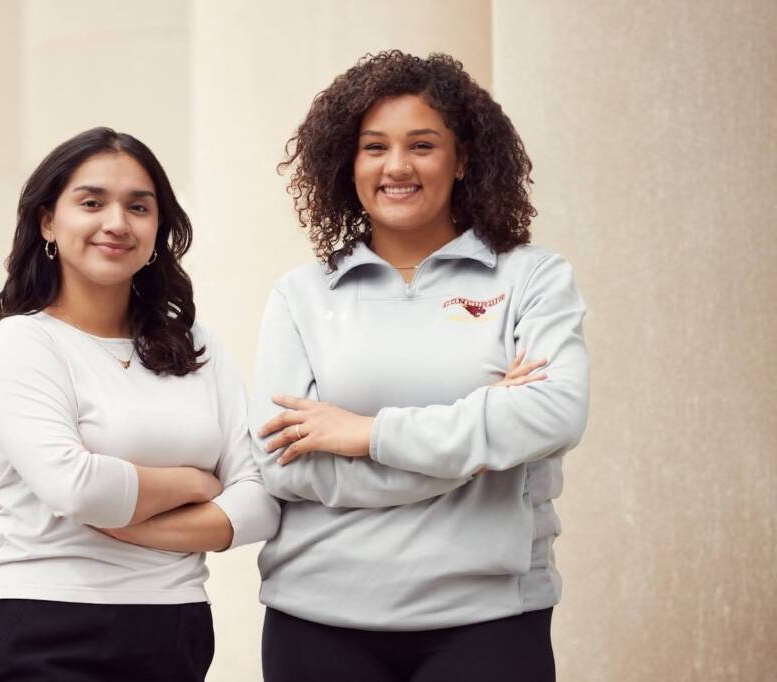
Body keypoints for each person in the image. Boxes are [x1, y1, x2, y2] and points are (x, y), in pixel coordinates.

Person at [250, 51, 590, 681]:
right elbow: (278, 463)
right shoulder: (301, 295)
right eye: (374, 146)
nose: (396, 166)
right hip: (316, 618)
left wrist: (366, 434)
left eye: (422, 145)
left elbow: (553, 414)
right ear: (347, 164)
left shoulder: (531, 278)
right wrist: (479, 447)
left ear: (462, 160)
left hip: (489, 620)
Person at [0, 126, 279, 682]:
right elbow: (75, 487)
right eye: (91, 202)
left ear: (158, 228)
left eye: (139, 206)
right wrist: (198, 483)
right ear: (48, 221)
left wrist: (134, 525)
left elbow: (261, 503)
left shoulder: (194, 343)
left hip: (172, 626)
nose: (117, 223)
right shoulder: (21, 343)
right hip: (40, 622)